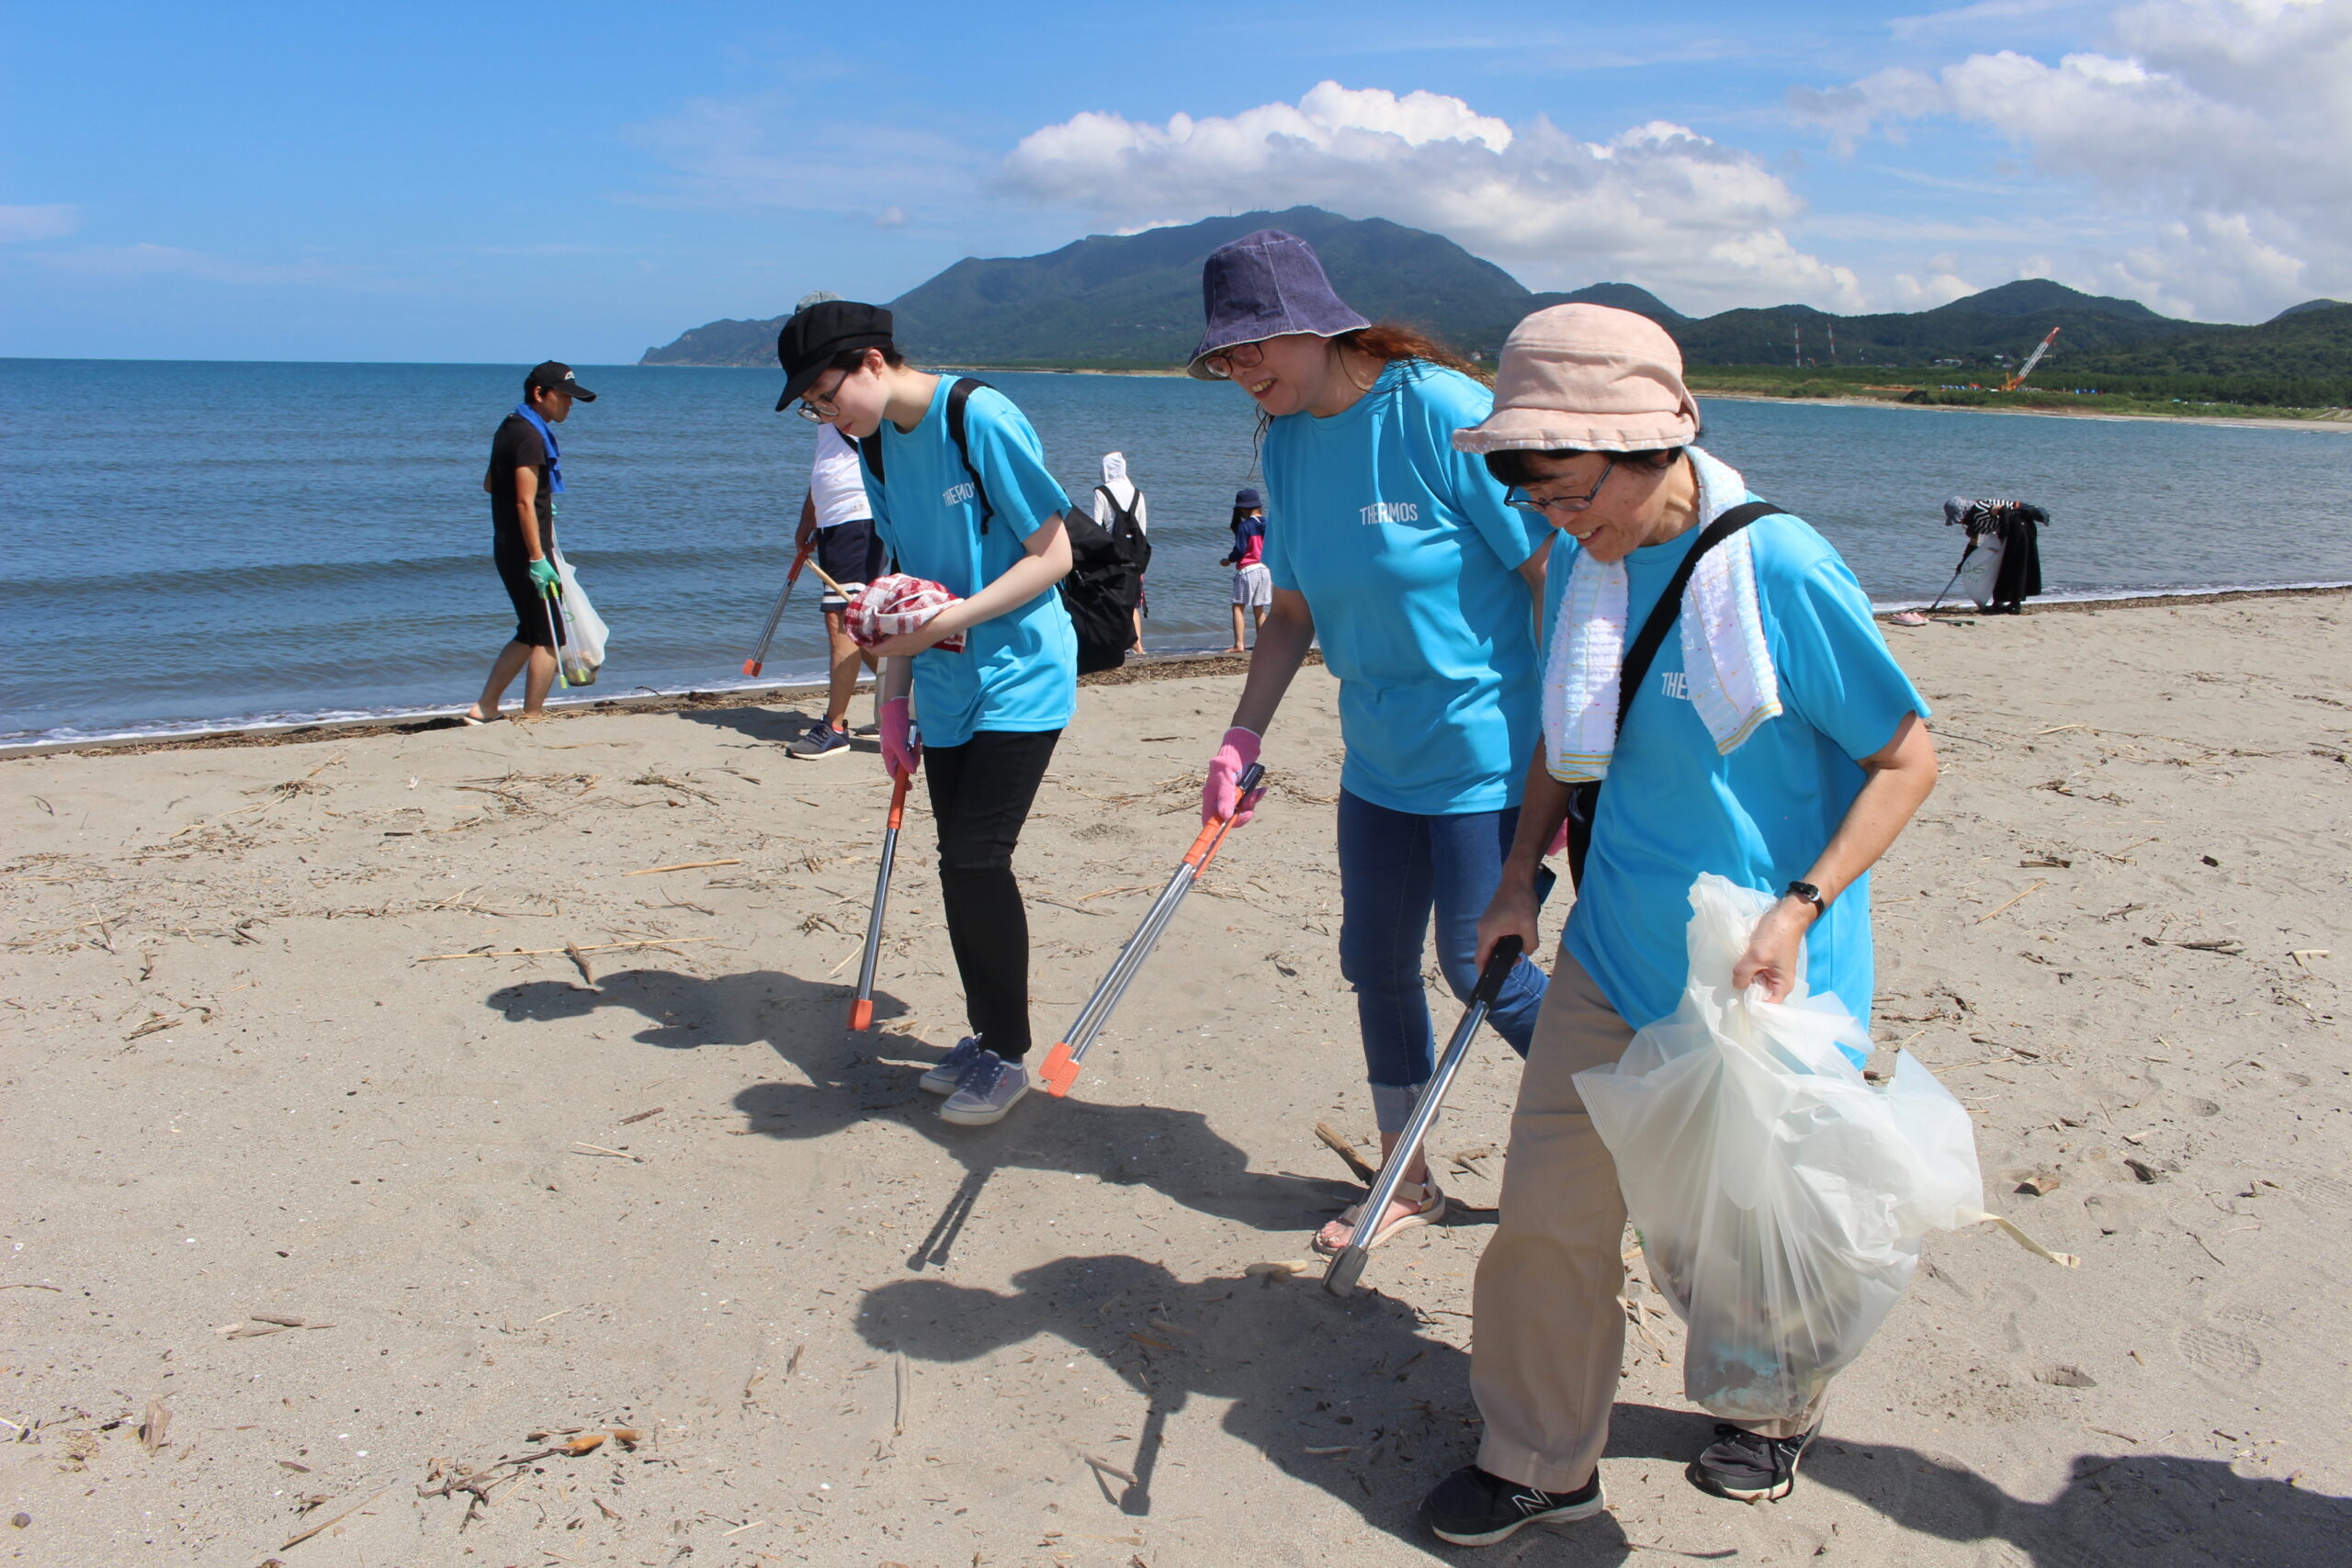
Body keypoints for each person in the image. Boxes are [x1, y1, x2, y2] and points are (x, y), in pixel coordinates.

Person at [1418, 305, 1940, 1546]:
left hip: (1763, 967)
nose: (1559, 519)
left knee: (1748, 1220)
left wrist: (1803, 905)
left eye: (1569, 488)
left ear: (1650, 442)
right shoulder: (1589, 568)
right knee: (1550, 1208)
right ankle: (1539, 1455)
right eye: (1536, 498)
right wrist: (1510, 881)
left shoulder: (1781, 567)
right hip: (1614, 943)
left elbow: (1907, 753)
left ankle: (1772, 1404)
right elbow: (1563, 728)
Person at [1188, 229, 1553, 1252]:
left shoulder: (1438, 411)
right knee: (1373, 961)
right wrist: (1238, 735)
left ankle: (1643, 1120)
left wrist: (1574, 761)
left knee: (1482, 964)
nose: (1239, 371)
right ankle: (1408, 1175)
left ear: (1315, 323)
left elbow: (1549, 577)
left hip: (1491, 750)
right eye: (1224, 358)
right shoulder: (1287, 439)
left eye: (1253, 347)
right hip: (1379, 756)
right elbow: (1292, 613)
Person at [777, 299, 1078, 1126]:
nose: (824, 411)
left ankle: (1010, 1055)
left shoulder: (975, 415)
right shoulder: (868, 445)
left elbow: (1052, 553)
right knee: (954, 863)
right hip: (940, 688)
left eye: (826, 391)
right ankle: (985, 1036)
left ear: (873, 361)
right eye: (812, 404)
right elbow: (902, 581)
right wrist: (893, 699)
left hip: (1021, 672)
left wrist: (952, 621)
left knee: (980, 858)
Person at [468, 361, 595, 724]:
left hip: (509, 544)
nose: (570, 403)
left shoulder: (510, 426)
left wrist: (536, 499)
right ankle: (534, 713)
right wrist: (538, 558)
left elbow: (491, 484)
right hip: (528, 551)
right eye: (565, 396)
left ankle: (486, 706)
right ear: (540, 394)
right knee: (550, 633)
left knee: (530, 630)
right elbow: (524, 500)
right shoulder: (530, 436)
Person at [786, 407, 888, 760]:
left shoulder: (859, 407)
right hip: (836, 522)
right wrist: (808, 521)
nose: (807, 403)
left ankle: (835, 727)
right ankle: (904, 706)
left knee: (843, 619)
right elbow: (827, 469)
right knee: (860, 625)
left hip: (859, 518)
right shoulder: (829, 420)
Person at [1092, 452, 1149, 654]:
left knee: (1111, 601)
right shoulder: (1137, 493)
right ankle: (1138, 645)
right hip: (1135, 557)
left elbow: (1097, 527)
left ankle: (1115, 646)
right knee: (1133, 603)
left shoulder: (1101, 492)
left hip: (1111, 556)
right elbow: (1142, 530)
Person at [1221, 487, 1269, 653]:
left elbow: (1240, 550)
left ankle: (1239, 644)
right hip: (1265, 570)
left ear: (1242, 508)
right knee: (1259, 609)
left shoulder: (1245, 526)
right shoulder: (1268, 523)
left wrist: (1228, 560)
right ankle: (1263, 644)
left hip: (1248, 570)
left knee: (1238, 607)